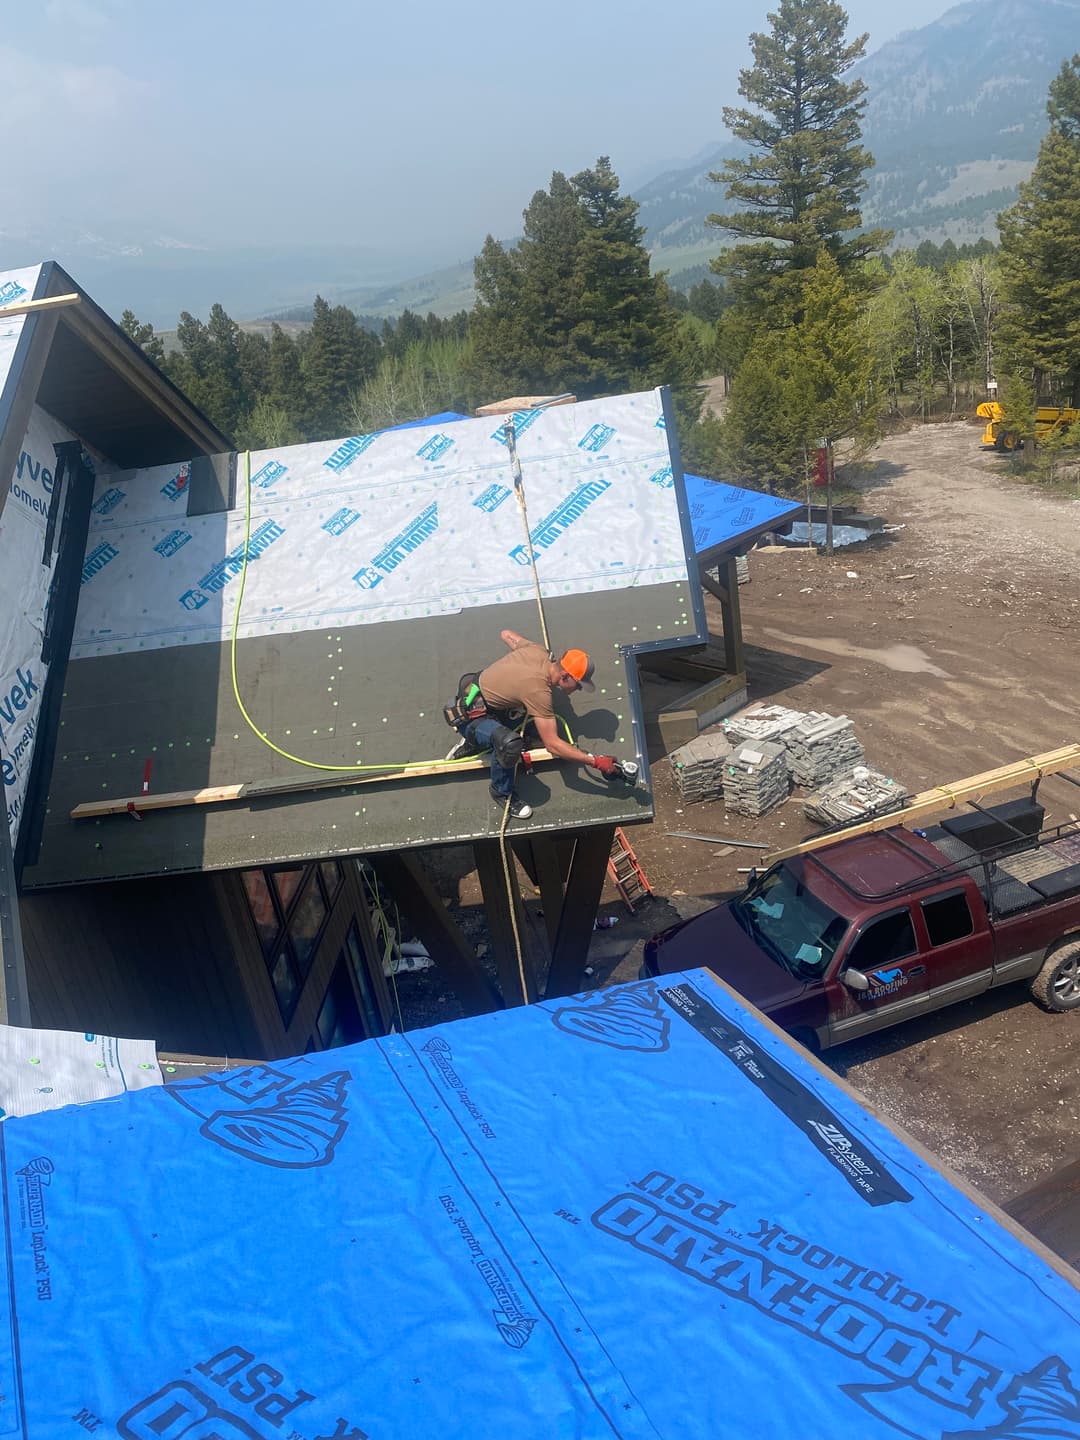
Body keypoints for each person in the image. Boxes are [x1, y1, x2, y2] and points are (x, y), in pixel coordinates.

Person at [447, 629, 620, 819]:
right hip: (472, 717)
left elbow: (506, 635)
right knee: (510, 744)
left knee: (532, 730)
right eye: (578, 685)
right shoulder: (539, 692)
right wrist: (595, 761)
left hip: (483, 697)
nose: (578, 690)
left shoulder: (538, 651)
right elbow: (552, 745)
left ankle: (482, 737)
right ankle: (501, 791)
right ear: (564, 676)